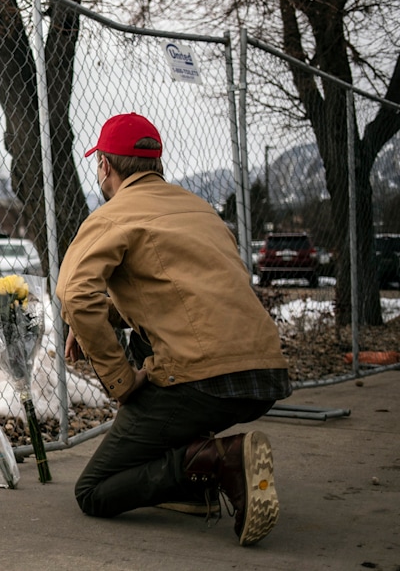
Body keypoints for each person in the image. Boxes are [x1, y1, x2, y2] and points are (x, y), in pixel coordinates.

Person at [55, 112, 292, 546]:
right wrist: (104, 316)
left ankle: (222, 460)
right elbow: (180, 298)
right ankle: (196, 487)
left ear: (104, 166)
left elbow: (73, 293)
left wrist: (121, 382)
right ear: (155, 163)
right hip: (264, 376)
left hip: (204, 380)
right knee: (154, 355)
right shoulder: (198, 209)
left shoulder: (113, 216)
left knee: (93, 491)